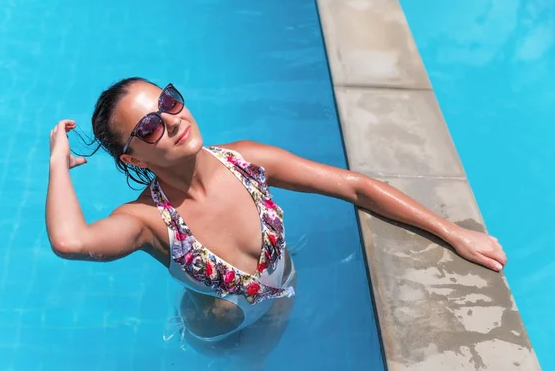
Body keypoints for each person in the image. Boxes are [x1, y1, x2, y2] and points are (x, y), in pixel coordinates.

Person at [46, 77, 507, 350]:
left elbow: (354, 185)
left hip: (284, 287)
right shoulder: (147, 222)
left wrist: (453, 233)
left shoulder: (247, 161)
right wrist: (58, 162)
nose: (171, 120)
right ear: (135, 159)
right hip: (220, 325)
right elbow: (71, 242)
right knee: (242, 366)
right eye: (149, 126)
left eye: (168, 101)